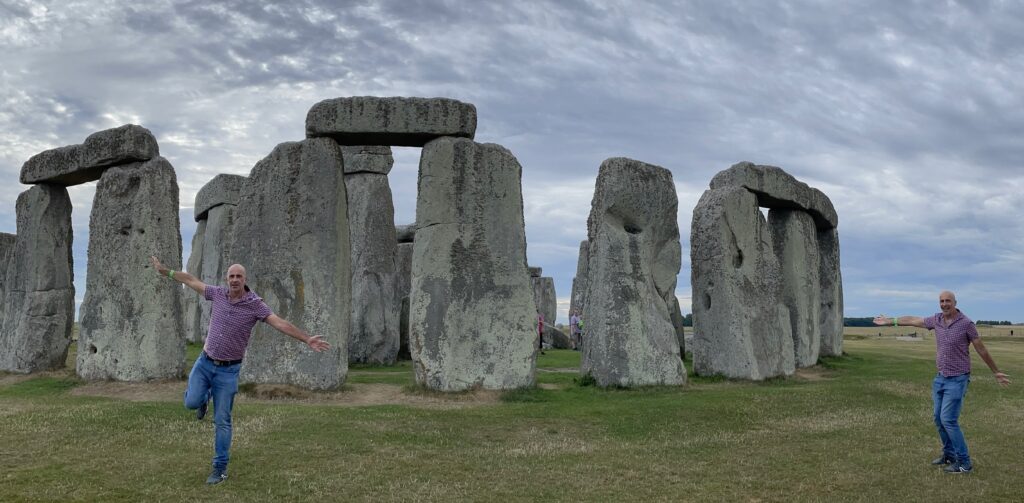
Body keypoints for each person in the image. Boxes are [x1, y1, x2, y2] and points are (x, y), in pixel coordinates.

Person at [149, 256, 331, 485]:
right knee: (190, 402)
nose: (235, 280)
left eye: (239, 276)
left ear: (245, 279)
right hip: (204, 363)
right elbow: (191, 280)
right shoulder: (217, 294)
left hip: (228, 371)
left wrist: (307, 339)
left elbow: (279, 322)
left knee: (223, 421)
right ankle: (204, 398)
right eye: (231, 276)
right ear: (227, 279)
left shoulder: (255, 304)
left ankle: (219, 468)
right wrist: (166, 271)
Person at [874, 291, 1010, 474]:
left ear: (955, 303)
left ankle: (964, 463)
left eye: (948, 301)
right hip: (940, 378)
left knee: (949, 420)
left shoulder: (966, 324)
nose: (944, 304)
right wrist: (891, 321)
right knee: (938, 419)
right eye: (941, 301)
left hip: (958, 378)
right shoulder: (936, 320)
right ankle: (949, 455)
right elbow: (914, 320)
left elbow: (981, 349)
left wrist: (996, 372)